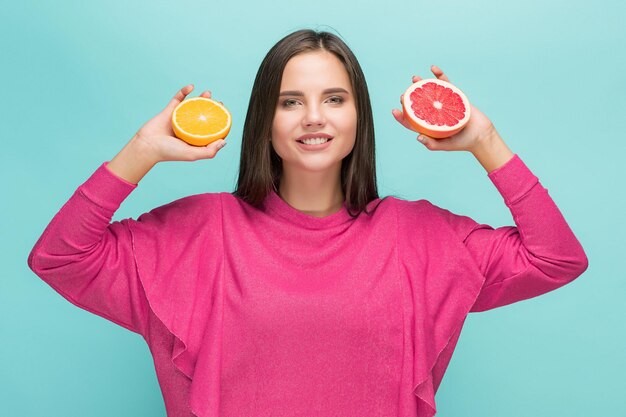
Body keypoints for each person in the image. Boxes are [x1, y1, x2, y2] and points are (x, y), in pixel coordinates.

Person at [27, 29, 588, 417]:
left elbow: (557, 259)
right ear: (263, 121)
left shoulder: (422, 237)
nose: (314, 117)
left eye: (334, 99)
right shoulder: (199, 231)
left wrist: (485, 142)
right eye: (290, 101)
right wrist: (141, 151)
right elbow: (59, 259)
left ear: (358, 117)